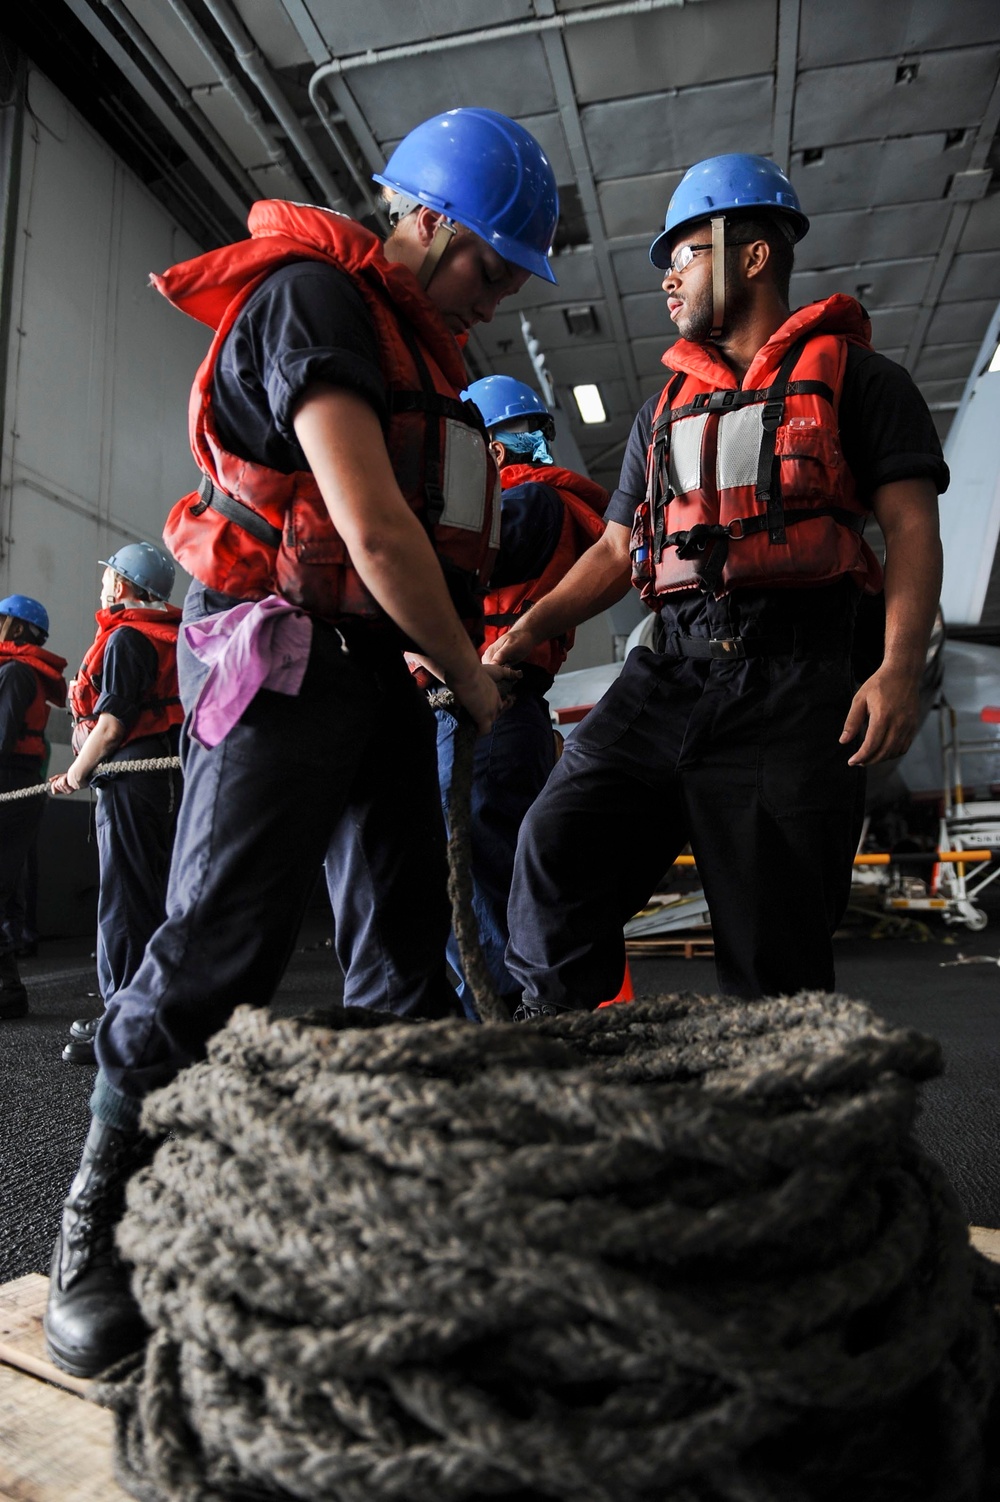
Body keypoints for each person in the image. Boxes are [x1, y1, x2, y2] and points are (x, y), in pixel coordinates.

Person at [44, 107, 559, 1378]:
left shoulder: (417, 352)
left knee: (401, 944)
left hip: (369, 667)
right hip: (271, 657)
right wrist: (476, 682)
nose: (493, 299)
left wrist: (429, 662)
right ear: (427, 219)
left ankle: (386, 1204)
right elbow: (374, 528)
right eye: (491, 265)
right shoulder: (315, 303)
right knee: (221, 938)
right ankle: (96, 1228)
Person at [486, 153, 947, 1017]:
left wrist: (894, 671)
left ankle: (777, 1135)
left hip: (796, 682)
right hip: (670, 675)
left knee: (772, 955)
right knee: (555, 847)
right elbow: (615, 548)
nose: (669, 277)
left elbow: (913, 533)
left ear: (753, 253)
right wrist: (519, 632)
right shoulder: (662, 411)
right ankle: (569, 1068)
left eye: (686, 253)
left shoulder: (862, 381)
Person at [433, 375, 607, 1014]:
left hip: (487, 710)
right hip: (488, 711)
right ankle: (489, 1022)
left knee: (479, 876)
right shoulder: (538, 503)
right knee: (475, 874)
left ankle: (503, 1026)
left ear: (491, 451)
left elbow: (451, 565)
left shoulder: (531, 506)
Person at [50, 543, 183, 1064]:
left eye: (109, 576)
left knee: (124, 901)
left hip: (128, 778)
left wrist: (75, 775)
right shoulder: (152, 637)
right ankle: (144, 1010)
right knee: (142, 892)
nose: (103, 584)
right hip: (149, 779)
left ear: (123, 585)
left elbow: (111, 725)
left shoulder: (127, 637)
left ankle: (125, 1020)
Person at [0, 595, 67, 1017]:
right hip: (17, 783)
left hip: (9, 783)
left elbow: (1, 738)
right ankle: (8, 991)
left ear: (18, 628)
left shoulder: (14, 673)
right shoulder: (17, 671)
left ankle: (8, 991)